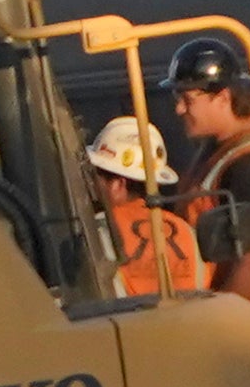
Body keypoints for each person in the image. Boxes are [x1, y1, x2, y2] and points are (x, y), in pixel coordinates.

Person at [160, 32, 250, 308]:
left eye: (187, 99)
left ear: (222, 97)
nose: (178, 109)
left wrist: (223, 319)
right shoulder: (218, 149)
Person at [86, 115, 206, 297]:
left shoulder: (97, 231)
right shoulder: (186, 232)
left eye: (97, 178)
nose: (92, 186)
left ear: (119, 184)